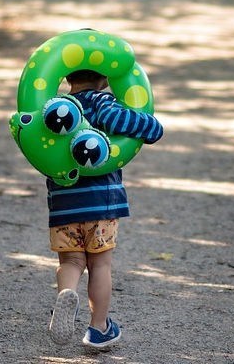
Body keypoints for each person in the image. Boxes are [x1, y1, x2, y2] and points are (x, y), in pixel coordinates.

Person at [47, 69, 163, 348]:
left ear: (67, 77)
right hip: (101, 203)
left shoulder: (55, 109)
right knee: (100, 264)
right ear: (106, 78)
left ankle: (67, 294)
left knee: (72, 262)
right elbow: (150, 131)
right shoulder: (103, 103)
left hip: (63, 204)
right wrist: (152, 123)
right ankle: (98, 328)